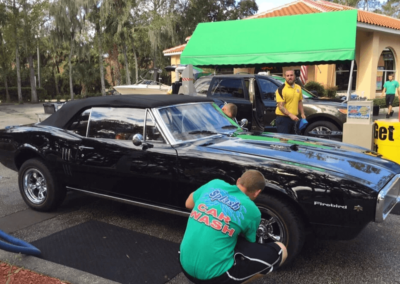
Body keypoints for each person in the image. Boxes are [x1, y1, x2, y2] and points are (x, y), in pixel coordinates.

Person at [179, 170, 288, 284]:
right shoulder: (252, 210)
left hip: (184, 265)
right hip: (215, 278)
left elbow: (188, 204)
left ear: (238, 181)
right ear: (257, 192)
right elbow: (249, 241)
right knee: (281, 251)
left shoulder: (214, 184)